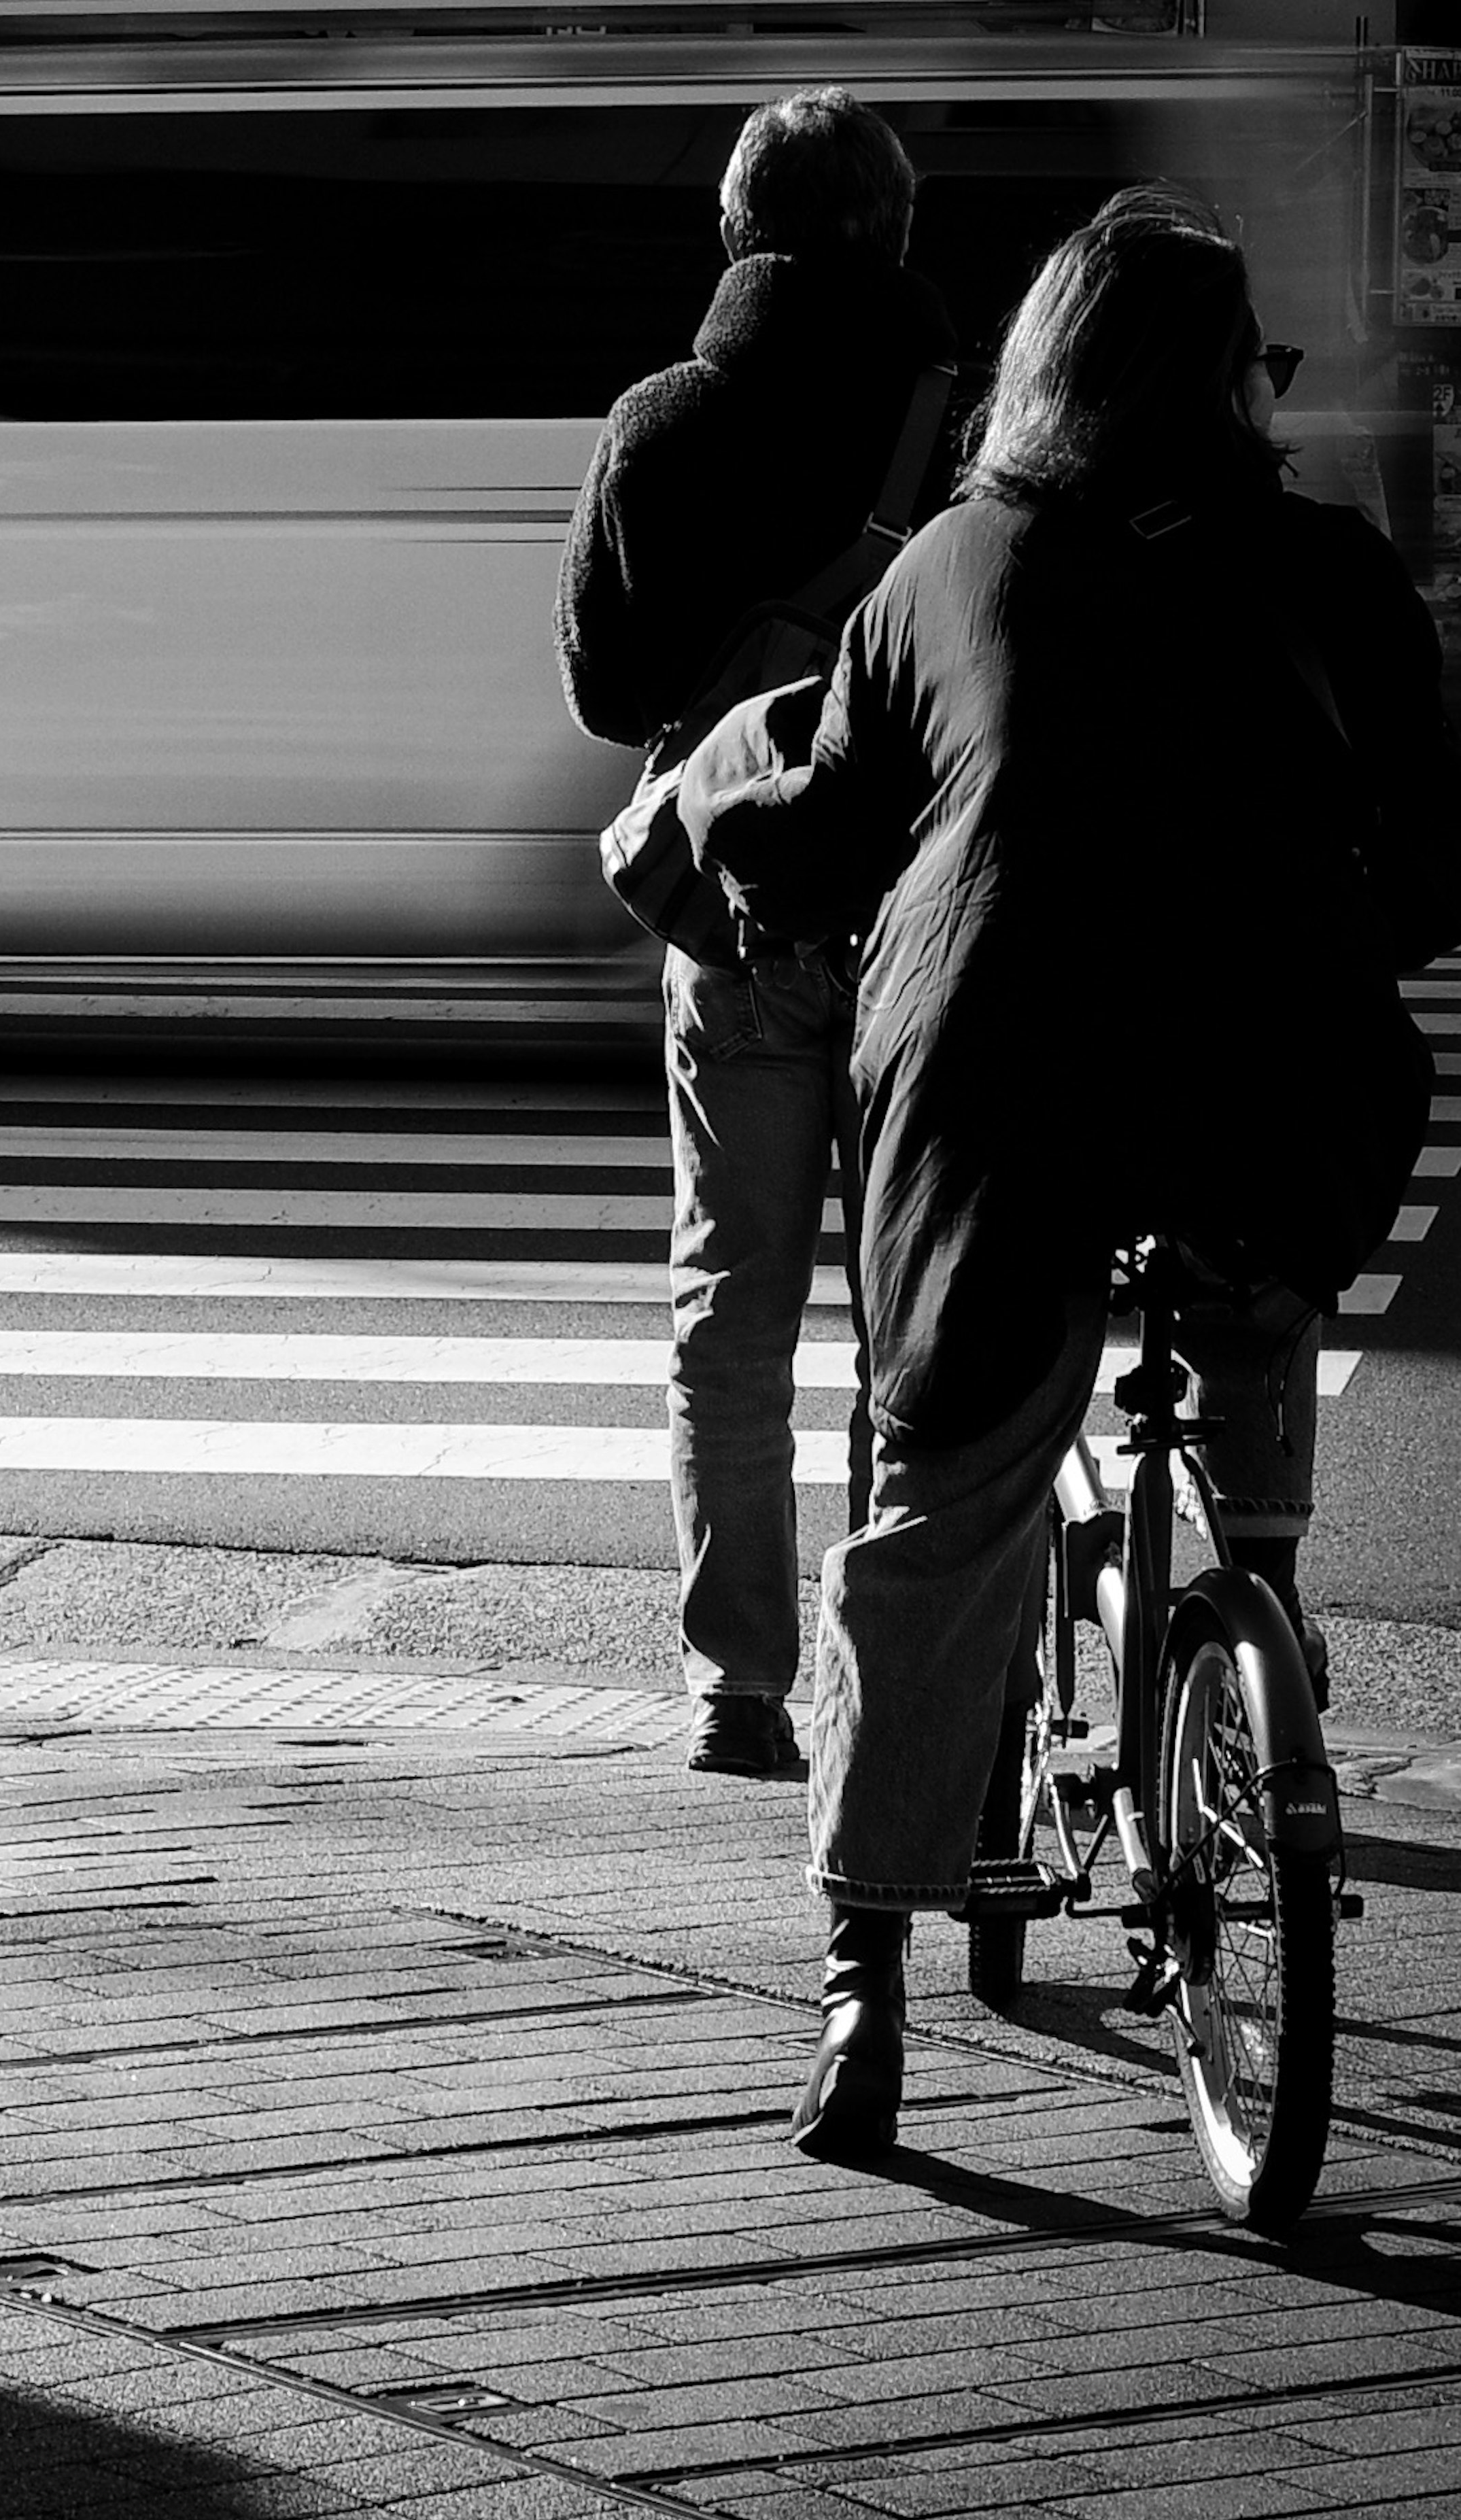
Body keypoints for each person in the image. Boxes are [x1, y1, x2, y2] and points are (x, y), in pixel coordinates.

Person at [683, 190, 1461, 2160]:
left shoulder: (953, 565)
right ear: (1225, 388)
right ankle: (1252, 1621)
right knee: (1249, 1287)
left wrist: (743, 859)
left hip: (1007, 1089)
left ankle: (865, 1990)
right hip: (1279, 1085)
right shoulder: (1333, 570)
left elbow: (827, 828)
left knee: (935, 1507)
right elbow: (1439, 848)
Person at [555, 88, 958, 1780]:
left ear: (733, 229)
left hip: (732, 910)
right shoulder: (959, 425)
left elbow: (603, 692)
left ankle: (742, 1686)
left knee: (732, 1304)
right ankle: (896, 1675)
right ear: (894, 232)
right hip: (917, 923)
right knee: (905, 1308)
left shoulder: (661, 426)